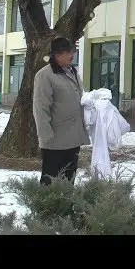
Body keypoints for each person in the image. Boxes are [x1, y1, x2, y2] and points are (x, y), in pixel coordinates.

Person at [33, 36, 90, 186]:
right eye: (69, 52)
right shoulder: (45, 75)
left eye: (73, 51)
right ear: (58, 55)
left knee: (69, 179)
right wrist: (46, 136)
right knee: (50, 180)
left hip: (73, 137)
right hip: (55, 139)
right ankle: (47, 209)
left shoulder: (73, 72)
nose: (72, 55)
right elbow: (40, 108)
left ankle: (66, 209)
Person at [82, 87, 131, 180]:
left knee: (99, 153)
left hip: (98, 136)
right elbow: (123, 125)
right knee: (103, 155)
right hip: (106, 135)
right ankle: (102, 175)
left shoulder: (96, 106)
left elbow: (89, 120)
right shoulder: (109, 106)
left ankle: (99, 174)